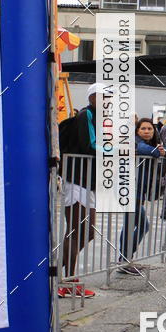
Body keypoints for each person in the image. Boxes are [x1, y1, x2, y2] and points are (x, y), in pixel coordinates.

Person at [59, 83, 101, 298]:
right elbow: (89, 145)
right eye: (105, 97)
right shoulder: (86, 115)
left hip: (88, 181)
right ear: (93, 97)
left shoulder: (98, 117)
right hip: (76, 178)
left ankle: (61, 273)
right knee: (76, 230)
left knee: (88, 231)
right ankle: (67, 280)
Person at [118, 119, 166, 275]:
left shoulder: (148, 144)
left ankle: (125, 258)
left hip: (138, 191)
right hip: (129, 189)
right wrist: (159, 151)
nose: (147, 131)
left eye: (150, 129)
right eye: (143, 128)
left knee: (139, 224)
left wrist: (160, 150)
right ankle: (124, 260)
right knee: (133, 224)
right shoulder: (136, 142)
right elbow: (153, 151)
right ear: (137, 130)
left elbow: (162, 153)